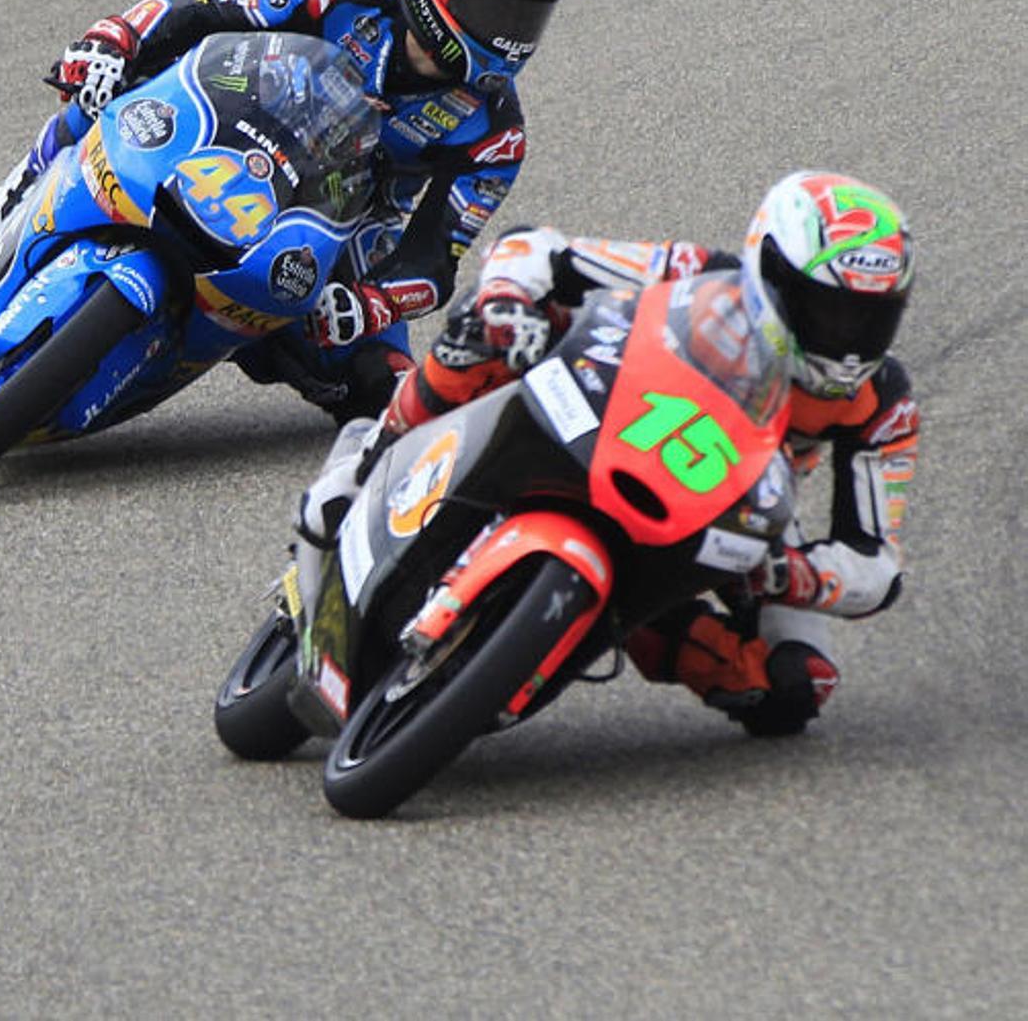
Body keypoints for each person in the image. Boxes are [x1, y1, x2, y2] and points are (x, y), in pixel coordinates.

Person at [298, 171, 920, 737]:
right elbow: (535, 249)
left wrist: (798, 573)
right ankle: (368, 461)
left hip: (735, 499)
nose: (848, 340)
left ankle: (611, 625)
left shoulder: (882, 402)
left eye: (870, 320)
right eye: (828, 311)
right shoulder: (701, 275)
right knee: (484, 330)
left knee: (796, 683)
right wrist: (508, 299)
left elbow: (877, 562)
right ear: (772, 273)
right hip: (612, 408)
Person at [0, 0, 566, 420]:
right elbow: (199, 9)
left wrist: (369, 305)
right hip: (230, 141)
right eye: (497, 9)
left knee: (387, 390)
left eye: (526, 20)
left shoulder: (496, 133)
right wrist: (116, 38)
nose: (510, 36)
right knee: (113, 84)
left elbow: (433, 261)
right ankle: (17, 192)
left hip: (331, 240)